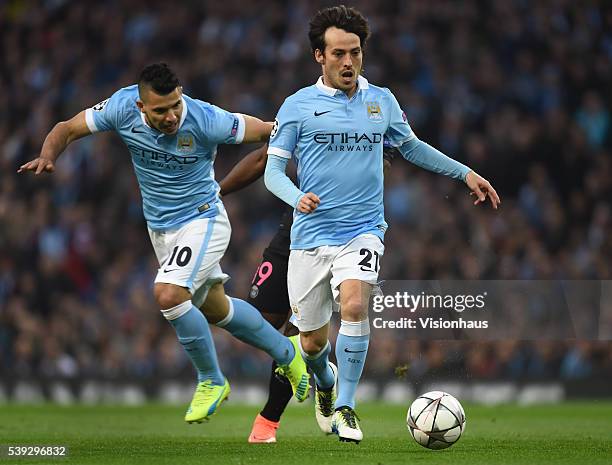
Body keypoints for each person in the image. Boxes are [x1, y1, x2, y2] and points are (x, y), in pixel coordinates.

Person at [18, 62, 310, 424]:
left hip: (204, 219)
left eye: (175, 105)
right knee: (215, 309)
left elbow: (269, 131)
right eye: (161, 110)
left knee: (169, 294)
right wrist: (49, 155)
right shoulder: (120, 107)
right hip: (161, 229)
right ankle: (287, 353)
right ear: (141, 107)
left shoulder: (205, 119)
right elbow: (67, 128)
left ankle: (211, 380)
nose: (172, 116)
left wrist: (308, 137)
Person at [264, 6, 500, 443]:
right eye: (338, 54)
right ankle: (327, 382)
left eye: (355, 52)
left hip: (363, 230)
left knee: (355, 305)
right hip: (310, 237)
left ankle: (347, 408)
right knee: (312, 345)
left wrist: (465, 172)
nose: (349, 62)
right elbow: (272, 172)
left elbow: (412, 148)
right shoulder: (297, 106)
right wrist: (297, 198)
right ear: (319, 56)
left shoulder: (381, 101)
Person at [218, 142, 397, 443]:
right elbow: (265, 156)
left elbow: (384, 163)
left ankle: (268, 420)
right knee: (262, 318)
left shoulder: (373, 110)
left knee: (299, 334)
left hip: (342, 236)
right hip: (296, 228)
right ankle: (325, 377)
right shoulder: (303, 110)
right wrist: (218, 191)